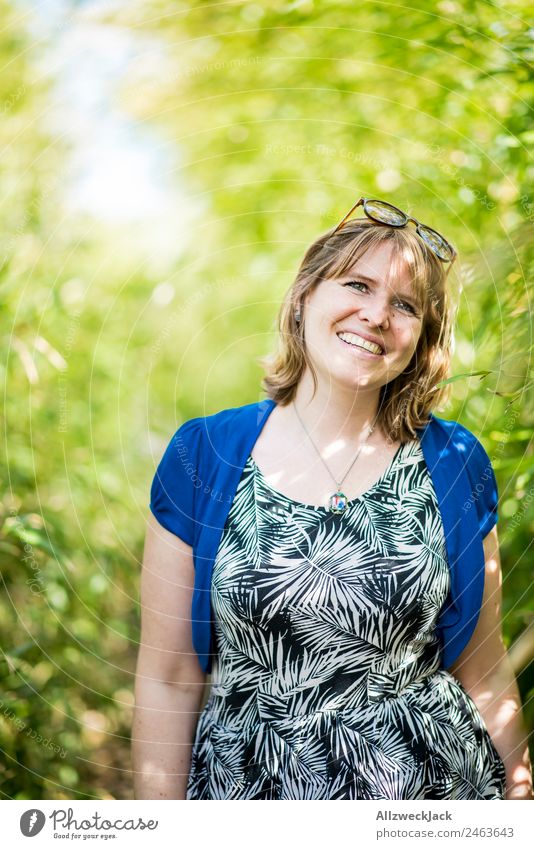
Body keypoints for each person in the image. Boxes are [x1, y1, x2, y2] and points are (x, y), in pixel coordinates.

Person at [132, 196, 533, 800]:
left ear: (421, 339)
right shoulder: (206, 454)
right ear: (303, 299)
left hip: (435, 804)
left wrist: (520, 794)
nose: (376, 315)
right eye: (357, 285)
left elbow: (484, 667)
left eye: (404, 305)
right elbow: (167, 677)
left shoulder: (454, 463)